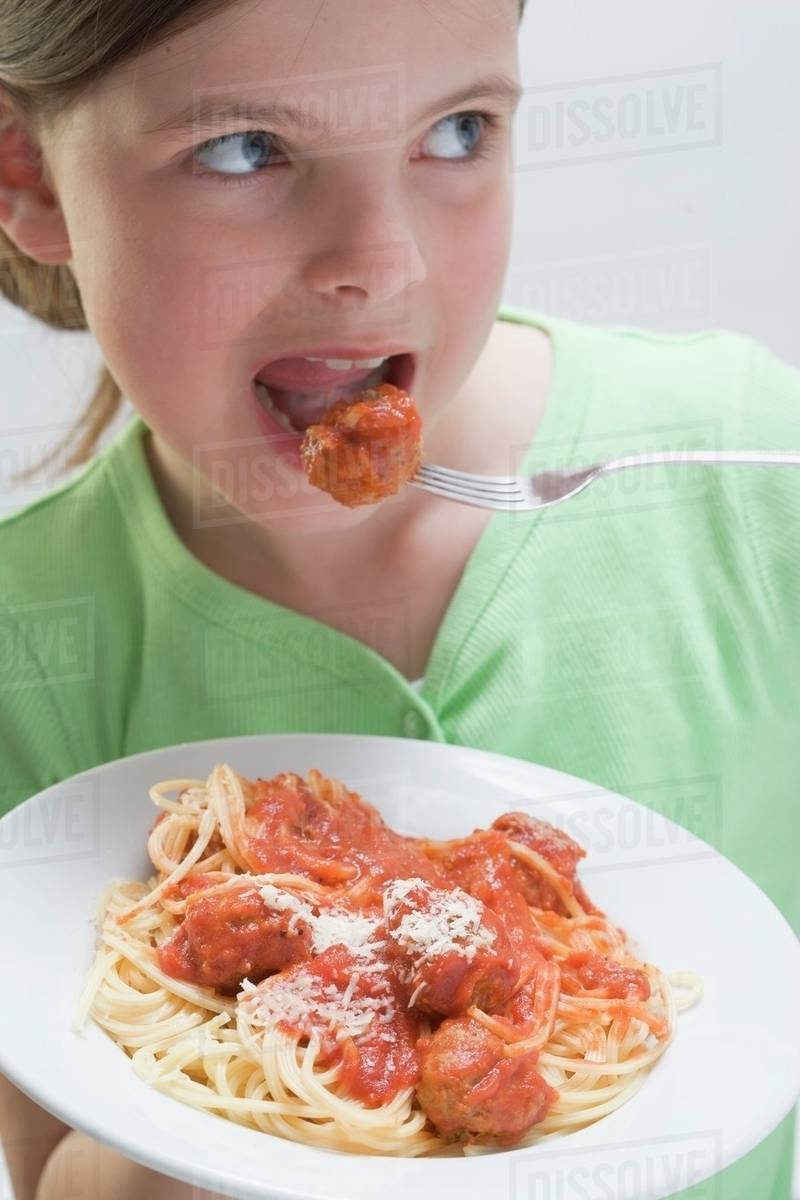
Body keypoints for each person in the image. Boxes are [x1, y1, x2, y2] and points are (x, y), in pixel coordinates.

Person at [0, 0, 797, 1197]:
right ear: (32, 179)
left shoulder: (740, 469)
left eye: (458, 129)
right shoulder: (30, 629)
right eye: (243, 149)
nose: (378, 260)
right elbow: (52, 1166)